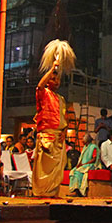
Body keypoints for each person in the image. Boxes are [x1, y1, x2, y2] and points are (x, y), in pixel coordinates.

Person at [32, 39, 74, 197]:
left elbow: (64, 118)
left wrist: (64, 131)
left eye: (57, 79)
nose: (56, 82)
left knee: (58, 168)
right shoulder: (43, 94)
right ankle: (42, 193)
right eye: (53, 79)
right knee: (44, 168)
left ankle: (53, 193)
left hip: (58, 137)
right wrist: (53, 68)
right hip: (47, 136)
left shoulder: (61, 99)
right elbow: (40, 86)